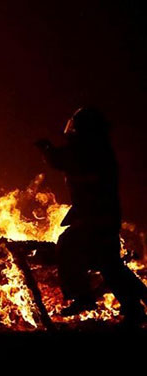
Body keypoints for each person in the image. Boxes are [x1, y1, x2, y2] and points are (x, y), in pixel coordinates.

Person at [35, 107, 147, 323]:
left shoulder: (88, 151)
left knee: (67, 246)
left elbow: (60, 160)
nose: (71, 131)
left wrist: (46, 147)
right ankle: (134, 308)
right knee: (110, 265)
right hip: (105, 217)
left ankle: (81, 295)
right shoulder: (99, 150)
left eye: (76, 127)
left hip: (94, 219)